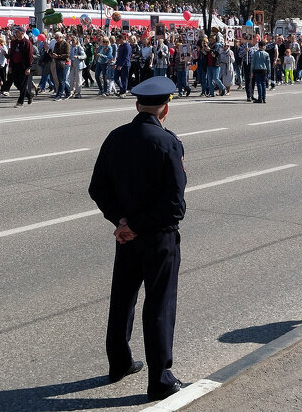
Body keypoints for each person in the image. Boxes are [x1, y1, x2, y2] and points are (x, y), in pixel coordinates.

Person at [88, 76, 187, 401]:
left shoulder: (116, 137)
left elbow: (97, 188)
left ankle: (119, 363)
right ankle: (160, 380)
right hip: (158, 238)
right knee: (159, 305)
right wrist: (137, 225)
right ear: (165, 109)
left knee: (122, 301)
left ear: (137, 105)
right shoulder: (167, 142)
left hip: (127, 237)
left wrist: (122, 222)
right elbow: (174, 206)